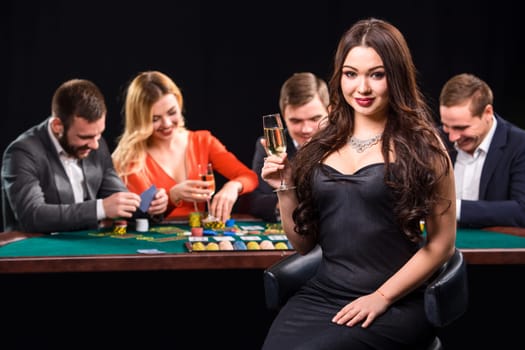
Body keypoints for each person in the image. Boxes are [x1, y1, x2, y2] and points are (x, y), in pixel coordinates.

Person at [260, 18, 457, 349]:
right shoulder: (319, 144)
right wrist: (285, 185)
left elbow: (441, 245)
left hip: (396, 299)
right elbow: (304, 245)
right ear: (339, 77)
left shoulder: (426, 146)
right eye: (351, 74)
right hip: (324, 293)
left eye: (376, 75)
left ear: (395, 76)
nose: (361, 88)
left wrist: (380, 297)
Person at [1, 79, 168, 233]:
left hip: (87, 251)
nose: (95, 144)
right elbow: (33, 216)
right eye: (85, 137)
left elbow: (120, 201)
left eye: (99, 135)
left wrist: (150, 206)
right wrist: (100, 208)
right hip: (35, 254)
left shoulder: (96, 144)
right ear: (58, 125)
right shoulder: (21, 153)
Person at [112, 70, 258, 223]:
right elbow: (139, 215)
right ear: (140, 120)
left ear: (179, 104)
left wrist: (233, 186)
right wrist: (172, 196)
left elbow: (250, 177)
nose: (167, 124)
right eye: (155, 119)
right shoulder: (129, 159)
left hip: (196, 239)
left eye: (172, 112)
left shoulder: (203, 141)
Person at [439, 73, 525, 228]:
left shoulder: (520, 145)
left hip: (496, 248)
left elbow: (522, 211)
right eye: (446, 126)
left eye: (461, 127)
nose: (452, 137)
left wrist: (452, 208)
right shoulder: (434, 140)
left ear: (488, 113)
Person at [242, 72, 329, 222]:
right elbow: (254, 201)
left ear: (330, 110)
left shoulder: (344, 143)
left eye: (315, 119)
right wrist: (288, 197)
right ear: (283, 117)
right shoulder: (270, 146)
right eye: (296, 121)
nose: (306, 129)